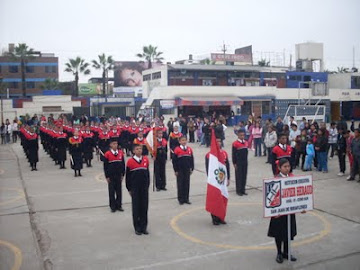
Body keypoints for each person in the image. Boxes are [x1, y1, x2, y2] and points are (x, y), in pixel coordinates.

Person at [267, 158, 300, 264]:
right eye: (285, 167)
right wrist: (274, 211)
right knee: (278, 233)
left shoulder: (292, 178)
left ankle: (286, 252)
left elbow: (298, 194)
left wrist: (302, 207)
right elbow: (271, 198)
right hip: (279, 212)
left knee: (288, 232)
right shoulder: (275, 179)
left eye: (288, 166)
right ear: (279, 168)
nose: (287, 169)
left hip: (289, 211)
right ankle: (279, 253)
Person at [125, 144, 150, 235]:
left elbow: (147, 174)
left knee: (144, 207)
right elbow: (128, 177)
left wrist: (147, 185)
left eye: (140, 149)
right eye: (137, 149)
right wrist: (129, 188)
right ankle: (137, 227)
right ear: (133, 151)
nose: (139, 150)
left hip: (144, 188)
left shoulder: (145, 160)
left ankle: (144, 227)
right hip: (135, 188)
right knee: (136, 207)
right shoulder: (130, 162)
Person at [205, 137, 230, 225]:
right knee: (215, 198)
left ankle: (221, 216)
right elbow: (208, 169)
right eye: (217, 141)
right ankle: (214, 218)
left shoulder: (224, 153)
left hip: (222, 180)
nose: (219, 143)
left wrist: (228, 178)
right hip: (214, 181)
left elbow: (227, 167)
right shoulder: (209, 155)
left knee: (222, 197)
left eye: (220, 141)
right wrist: (210, 180)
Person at [104, 138, 125, 212]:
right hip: (111, 176)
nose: (115, 145)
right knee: (111, 191)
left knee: (119, 191)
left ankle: (119, 205)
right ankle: (112, 206)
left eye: (116, 144)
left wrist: (123, 174)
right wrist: (107, 176)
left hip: (119, 175)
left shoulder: (120, 153)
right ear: (110, 145)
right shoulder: (107, 154)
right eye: (113, 144)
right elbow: (105, 166)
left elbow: (123, 164)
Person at [172, 135, 194, 205]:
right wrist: (175, 170)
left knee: (186, 184)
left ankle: (186, 198)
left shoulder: (189, 149)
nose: (184, 142)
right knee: (180, 184)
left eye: (185, 140)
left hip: (187, 170)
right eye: (182, 140)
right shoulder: (177, 150)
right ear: (179, 141)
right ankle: (181, 199)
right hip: (180, 170)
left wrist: (191, 168)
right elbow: (174, 161)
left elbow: (191, 159)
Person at [232, 130, 248, 196]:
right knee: (239, 176)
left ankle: (243, 189)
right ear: (238, 135)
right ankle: (238, 190)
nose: (242, 136)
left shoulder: (246, 143)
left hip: (245, 161)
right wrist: (234, 163)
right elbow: (233, 154)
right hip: (238, 162)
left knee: (244, 176)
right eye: (241, 135)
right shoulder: (235, 144)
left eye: (243, 135)